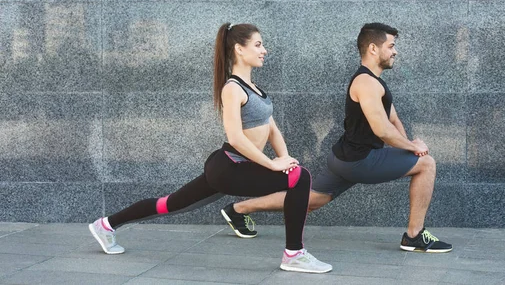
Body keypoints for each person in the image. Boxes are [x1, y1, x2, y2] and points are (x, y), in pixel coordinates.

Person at [88, 23, 333, 273]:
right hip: (229, 166)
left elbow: (272, 128)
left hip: (237, 167)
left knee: (168, 204)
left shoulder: (257, 90)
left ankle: (106, 225)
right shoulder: (232, 88)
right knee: (299, 178)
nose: (264, 50)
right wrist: (272, 164)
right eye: (258, 45)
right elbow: (236, 138)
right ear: (239, 48)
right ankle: (294, 254)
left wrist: (285, 157)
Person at [221, 22, 452, 253]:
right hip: (360, 160)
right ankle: (414, 235)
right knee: (427, 164)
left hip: (345, 158)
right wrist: (413, 148)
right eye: (391, 46)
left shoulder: (375, 81)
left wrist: (408, 148)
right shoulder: (366, 82)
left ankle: (239, 209)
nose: (395, 51)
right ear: (373, 48)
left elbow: (393, 119)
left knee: (312, 200)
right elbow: (382, 129)